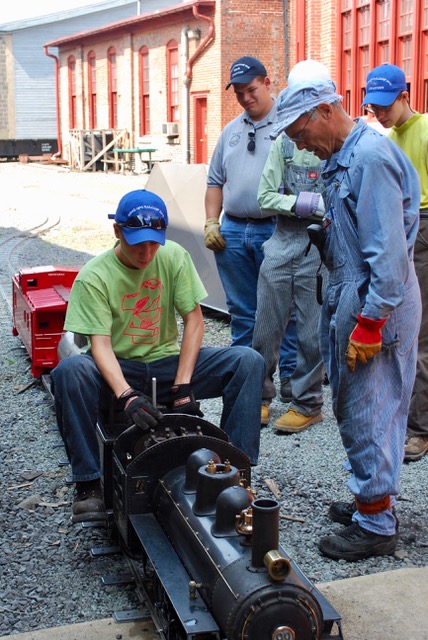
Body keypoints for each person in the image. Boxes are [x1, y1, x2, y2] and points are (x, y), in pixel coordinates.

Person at [272, 66, 421, 561]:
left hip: (375, 301)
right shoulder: (346, 156)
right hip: (353, 293)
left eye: (300, 134)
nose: (300, 146)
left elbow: (389, 256)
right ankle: (368, 500)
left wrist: (372, 320)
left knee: (371, 411)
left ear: (325, 110)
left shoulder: (369, 159)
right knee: (357, 406)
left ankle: (376, 525)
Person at [51, 189, 265, 523]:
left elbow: (194, 320)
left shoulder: (174, 257)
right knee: (70, 371)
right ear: (117, 231)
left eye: (154, 242)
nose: (147, 252)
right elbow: (100, 345)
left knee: (248, 361)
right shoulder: (94, 276)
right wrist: (127, 397)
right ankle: (88, 485)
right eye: (137, 242)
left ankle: (235, 470)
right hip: (119, 369)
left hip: (166, 365)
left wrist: (182, 386)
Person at [204, 55, 297, 418]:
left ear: (267, 81)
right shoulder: (231, 131)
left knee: (283, 310)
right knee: (243, 313)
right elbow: (214, 182)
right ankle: (251, 386)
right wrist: (211, 221)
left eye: (251, 90)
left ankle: (291, 384)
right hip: (233, 229)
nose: (245, 98)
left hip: (275, 227)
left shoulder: (288, 126)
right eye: (239, 93)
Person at [253, 60, 328, 432]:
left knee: (314, 331)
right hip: (283, 241)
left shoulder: (334, 141)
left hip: (320, 247)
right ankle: (261, 397)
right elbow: (265, 196)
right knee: (266, 325)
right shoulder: (283, 143)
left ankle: (307, 402)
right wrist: (296, 203)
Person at [362, 64, 428, 463]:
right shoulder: (386, 137)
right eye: (375, 106)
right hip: (400, 227)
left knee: (418, 334)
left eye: (387, 105)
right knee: (405, 329)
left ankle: (418, 429)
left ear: (405, 96)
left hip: (423, 225)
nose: (381, 113)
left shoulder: (423, 130)